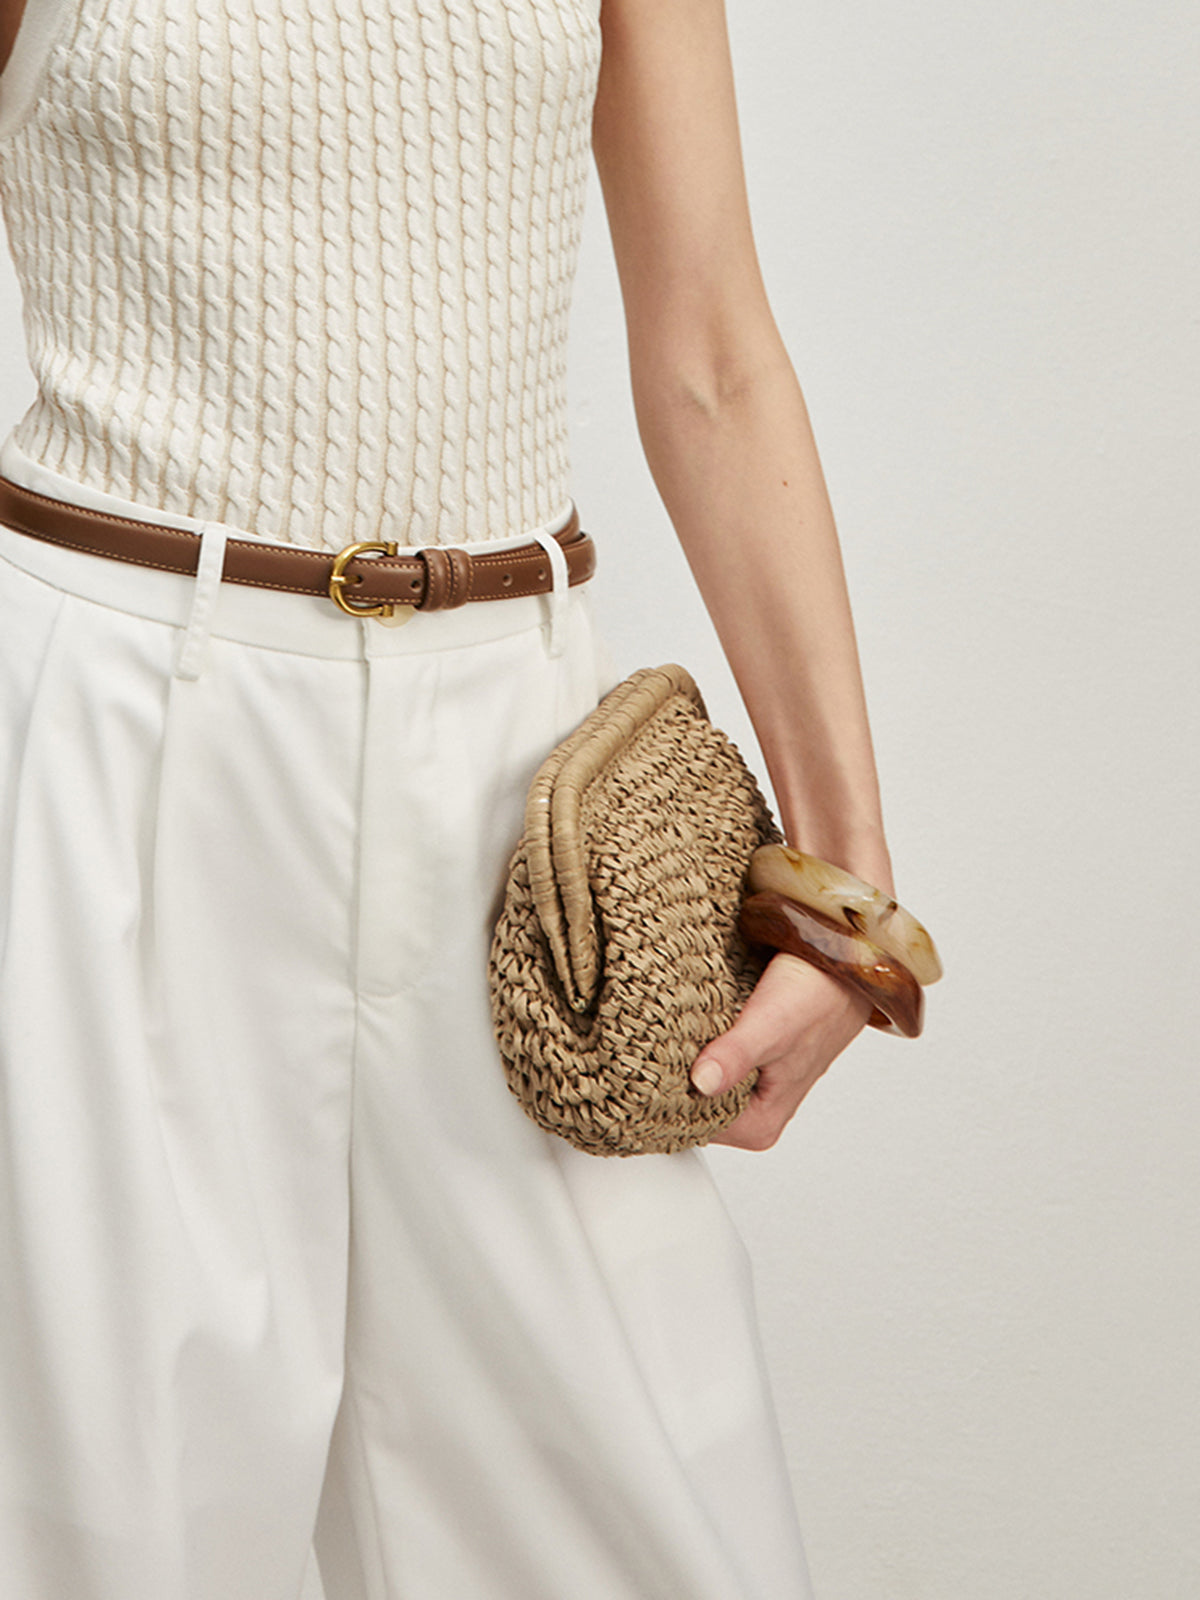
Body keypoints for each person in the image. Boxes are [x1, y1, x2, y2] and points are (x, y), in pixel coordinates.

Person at [0, 1, 895, 1597]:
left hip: (521, 790)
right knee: (96, 1530)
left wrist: (848, 893)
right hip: (110, 740)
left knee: (652, 1534)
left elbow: (712, 356)